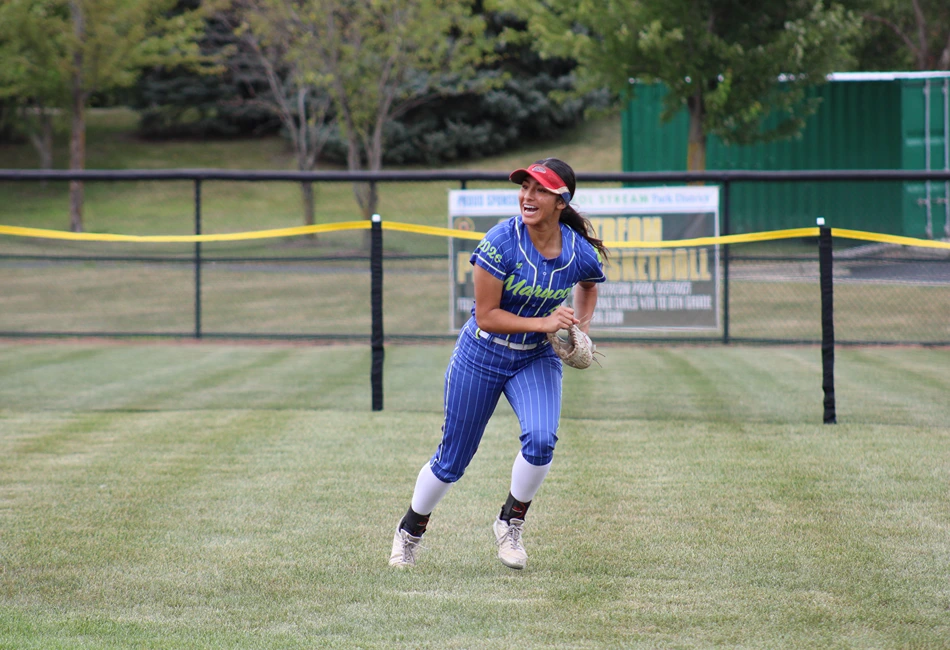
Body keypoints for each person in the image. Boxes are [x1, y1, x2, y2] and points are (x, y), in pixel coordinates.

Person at [389, 157, 608, 570]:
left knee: (542, 440)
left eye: (540, 189)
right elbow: (486, 315)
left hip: (536, 356)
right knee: (453, 460)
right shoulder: (500, 241)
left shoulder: (576, 249)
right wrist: (546, 320)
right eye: (524, 187)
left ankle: (510, 523)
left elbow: (588, 282)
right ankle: (410, 530)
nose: (528, 196)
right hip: (482, 352)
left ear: (561, 200)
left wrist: (579, 326)